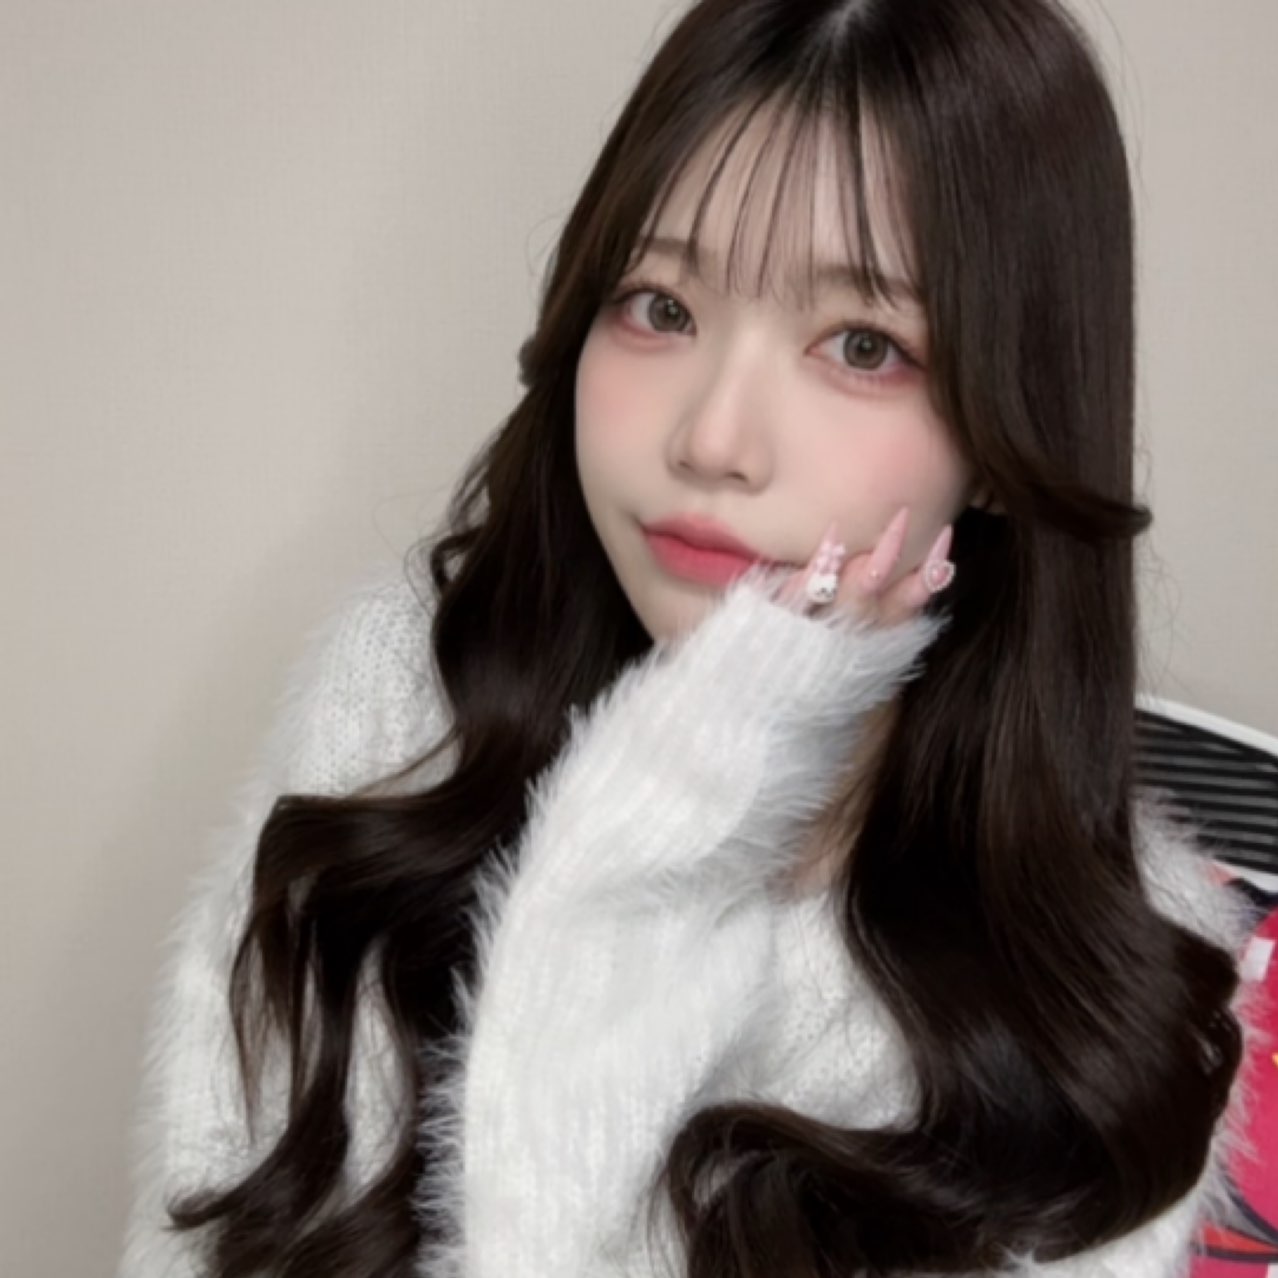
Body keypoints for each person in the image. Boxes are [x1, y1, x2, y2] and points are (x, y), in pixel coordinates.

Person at [116, 0, 1265, 1275]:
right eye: (661, 307)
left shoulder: (1107, 1016)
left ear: (1006, 436)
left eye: (863, 345)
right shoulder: (405, 706)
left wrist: (687, 790)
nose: (712, 440)